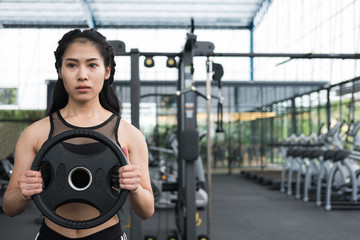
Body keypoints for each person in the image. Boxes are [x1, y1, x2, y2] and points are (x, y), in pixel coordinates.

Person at [2, 29, 154, 239]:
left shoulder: (129, 135)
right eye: (72, 65)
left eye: (92, 65)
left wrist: (135, 187)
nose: (82, 75)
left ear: (107, 71)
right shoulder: (35, 133)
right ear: (60, 71)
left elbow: (146, 211)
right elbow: (10, 207)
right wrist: (24, 191)